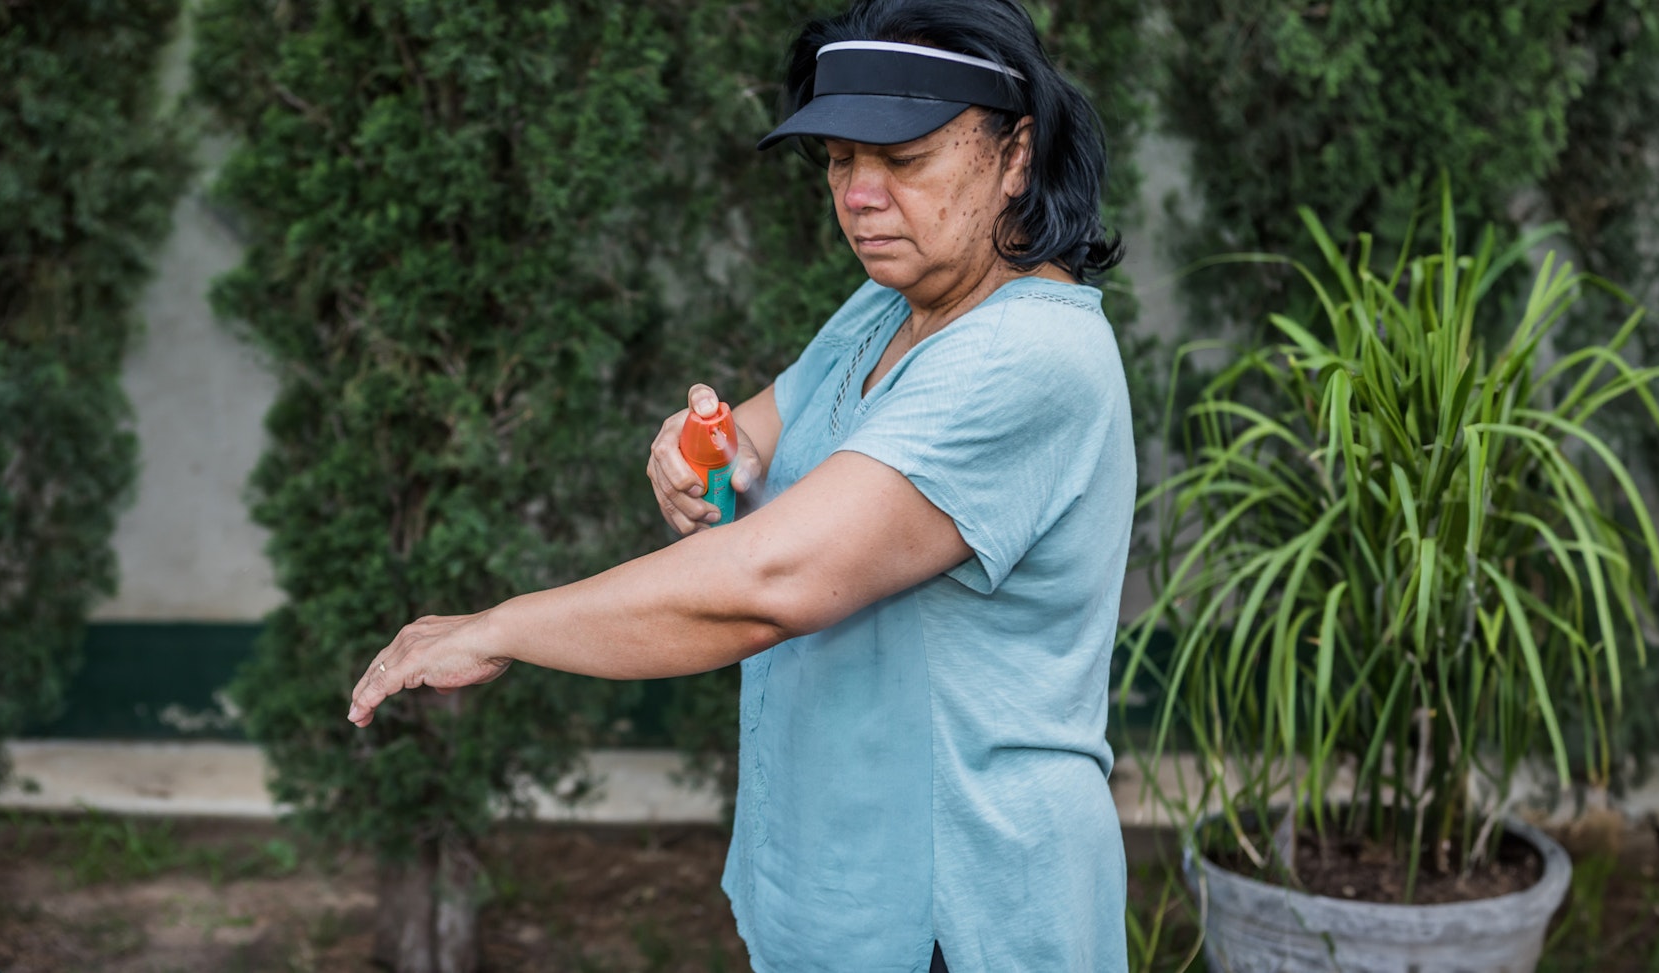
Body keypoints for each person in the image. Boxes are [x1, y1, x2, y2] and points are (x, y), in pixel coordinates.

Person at [345, 1, 1133, 969]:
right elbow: (758, 436)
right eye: (841, 159)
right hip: (832, 881)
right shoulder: (888, 304)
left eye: (906, 158)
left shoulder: (1026, 354)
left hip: (958, 908)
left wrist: (496, 626)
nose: (859, 194)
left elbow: (770, 582)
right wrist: (692, 451)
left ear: (1014, 154)